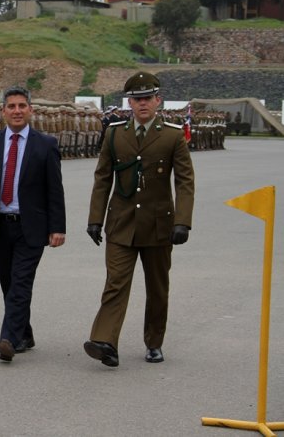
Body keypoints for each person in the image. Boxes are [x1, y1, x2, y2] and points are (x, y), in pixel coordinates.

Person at [83, 71, 195, 367]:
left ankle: (154, 341)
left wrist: (183, 221)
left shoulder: (172, 135)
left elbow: (185, 182)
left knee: (157, 287)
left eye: (147, 98)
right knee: (116, 283)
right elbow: (102, 178)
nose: (142, 104)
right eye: (136, 99)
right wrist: (95, 218)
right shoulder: (115, 134)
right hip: (121, 222)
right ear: (129, 103)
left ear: (158, 101)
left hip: (159, 225)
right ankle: (105, 341)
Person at [0, 86, 66, 362]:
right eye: (12, 106)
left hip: (31, 226)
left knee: (21, 283)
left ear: (30, 110)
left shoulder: (46, 144)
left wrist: (58, 227)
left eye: (22, 105)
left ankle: (8, 338)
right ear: (3, 111)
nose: (17, 111)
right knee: (9, 283)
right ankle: (25, 332)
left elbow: (55, 190)